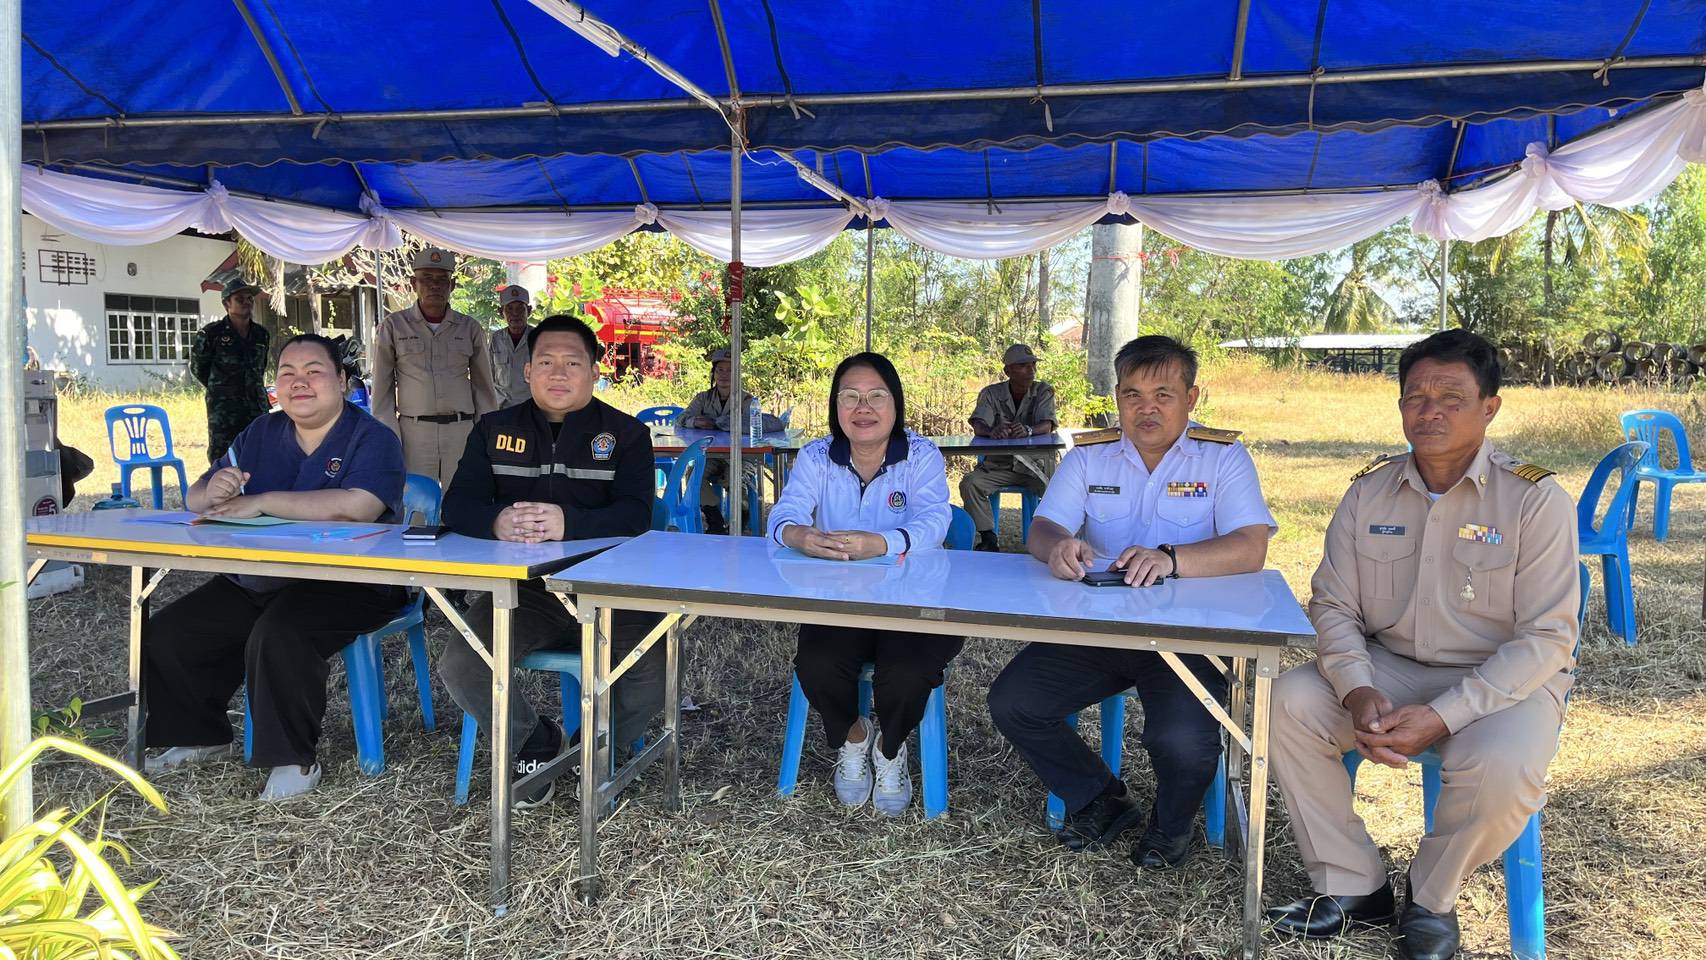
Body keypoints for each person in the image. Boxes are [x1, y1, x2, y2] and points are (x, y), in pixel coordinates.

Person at [1265, 330, 1579, 960]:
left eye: (1451, 397)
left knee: (1505, 765)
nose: (1429, 411)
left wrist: (1442, 716)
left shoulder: (1535, 500)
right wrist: (1357, 690)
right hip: (1388, 669)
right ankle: (1354, 882)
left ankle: (1432, 896)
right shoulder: (1368, 493)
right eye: (1416, 397)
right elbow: (1332, 603)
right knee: (1287, 701)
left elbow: (1546, 636)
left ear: (1490, 407)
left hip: (1502, 682)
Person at [987, 335, 1275, 868]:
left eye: (1164, 394)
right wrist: (1058, 549)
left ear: (1192, 397)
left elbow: (1250, 547)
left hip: (1191, 635)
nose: (1147, 408)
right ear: (1117, 398)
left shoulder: (1223, 457)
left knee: (1182, 742)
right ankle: (1099, 797)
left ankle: (1169, 828)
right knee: (1014, 702)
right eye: (1132, 394)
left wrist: (1172, 557)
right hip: (1102, 629)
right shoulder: (1091, 456)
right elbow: (1044, 528)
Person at [139, 334, 407, 800]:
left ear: (342, 381)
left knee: (280, 634)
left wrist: (259, 500)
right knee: (170, 632)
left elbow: (357, 507)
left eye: (314, 371)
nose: (299, 382)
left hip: (351, 583)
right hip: (265, 577)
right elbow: (196, 497)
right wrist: (217, 489)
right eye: (287, 373)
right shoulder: (261, 433)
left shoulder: (373, 438)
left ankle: (293, 761)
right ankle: (200, 737)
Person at [437, 314, 662, 809]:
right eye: (546, 363)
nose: (558, 374)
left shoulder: (625, 435)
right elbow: (457, 506)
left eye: (572, 363)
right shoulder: (495, 429)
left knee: (653, 672)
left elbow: (636, 515)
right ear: (526, 371)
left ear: (595, 372)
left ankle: (595, 750)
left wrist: (570, 523)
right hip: (525, 594)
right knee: (463, 661)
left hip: (611, 589)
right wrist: (496, 521)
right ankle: (534, 741)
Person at [766, 352, 955, 816]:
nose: (862, 408)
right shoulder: (815, 455)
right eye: (849, 397)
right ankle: (856, 735)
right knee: (816, 663)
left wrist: (883, 542)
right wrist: (800, 535)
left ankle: (891, 749)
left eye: (875, 397)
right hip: (840, 600)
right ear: (836, 406)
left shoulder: (922, 454)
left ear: (896, 405)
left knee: (909, 671)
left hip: (914, 598)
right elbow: (783, 514)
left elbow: (937, 520)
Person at [370, 247, 499, 489]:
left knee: (463, 500)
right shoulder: (394, 326)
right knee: (417, 506)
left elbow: (484, 388)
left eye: (442, 280)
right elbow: (382, 391)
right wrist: (390, 436)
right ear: (413, 283)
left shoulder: (469, 328)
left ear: (452, 286)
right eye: (426, 278)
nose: (434, 286)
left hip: (461, 431)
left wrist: (485, 434)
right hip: (414, 433)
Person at [960, 343, 1058, 551]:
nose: (1031, 369)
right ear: (1008, 371)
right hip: (999, 466)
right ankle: (988, 537)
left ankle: (1053, 538)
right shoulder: (991, 393)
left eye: (1033, 364)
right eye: (1023, 365)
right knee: (970, 483)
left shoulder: (1043, 391)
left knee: (1060, 488)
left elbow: (1047, 424)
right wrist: (992, 431)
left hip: (1035, 466)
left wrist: (1029, 430)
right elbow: (979, 425)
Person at [676, 347, 764, 534]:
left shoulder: (747, 400)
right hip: (712, 455)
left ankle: (742, 515)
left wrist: (726, 424)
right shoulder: (703, 398)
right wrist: (695, 421)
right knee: (693, 474)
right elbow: (681, 418)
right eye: (720, 370)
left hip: (740, 456)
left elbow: (757, 424)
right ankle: (714, 519)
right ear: (713, 373)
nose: (724, 375)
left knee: (734, 478)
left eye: (730, 370)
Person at [191, 277, 272, 465]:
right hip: (224, 408)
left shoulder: (261, 334)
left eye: (250, 298)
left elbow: (261, 366)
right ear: (227, 303)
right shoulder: (211, 334)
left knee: (260, 450)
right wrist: (221, 387)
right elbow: (199, 368)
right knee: (222, 455)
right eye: (240, 299)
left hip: (255, 404)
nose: (247, 302)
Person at [490, 285, 534, 408]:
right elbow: (489, 375)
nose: (515, 314)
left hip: (531, 406)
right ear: (501, 312)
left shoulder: (538, 338)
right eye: (509, 309)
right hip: (502, 408)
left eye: (520, 309)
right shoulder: (496, 338)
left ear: (529, 311)